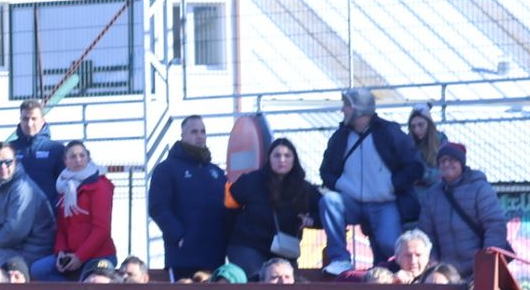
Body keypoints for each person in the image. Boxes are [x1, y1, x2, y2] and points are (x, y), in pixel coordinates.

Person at [318, 88, 425, 274]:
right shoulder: (340, 137)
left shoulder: (389, 132)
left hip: (384, 202)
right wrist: (341, 185)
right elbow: (325, 170)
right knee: (330, 201)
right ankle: (340, 259)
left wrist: (391, 185)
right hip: (351, 202)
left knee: (390, 246)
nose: (343, 110)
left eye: (347, 106)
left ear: (358, 109)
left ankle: (404, 280)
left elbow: (414, 166)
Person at [224, 137, 321, 277]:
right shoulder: (251, 181)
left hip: (284, 250)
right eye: (277, 155)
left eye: (287, 155)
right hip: (248, 246)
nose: (282, 160)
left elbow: (325, 212)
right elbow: (228, 208)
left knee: (286, 286)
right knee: (258, 283)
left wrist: (312, 219)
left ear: (294, 159)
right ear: (269, 158)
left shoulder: (304, 188)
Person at [147, 115, 228, 278]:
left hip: (214, 257)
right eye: (194, 131)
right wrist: (180, 237)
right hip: (182, 258)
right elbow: (157, 207)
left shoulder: (217, 173)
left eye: (203, 131)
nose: (199, 136)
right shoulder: (166, 169)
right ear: (182, 136)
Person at [417, 142, 510, 271]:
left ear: (461, 163)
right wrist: (434, 266)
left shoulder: (480, 189)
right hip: (447, 272)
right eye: (443, 161)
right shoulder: (431, 196)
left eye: (452, 160)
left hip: (480, 268)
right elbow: (426, 235)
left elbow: (495, 226)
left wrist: (487, 263)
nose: (447, 164)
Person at [31, 141, 116, 282]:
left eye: (82, 155)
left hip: (98, 255)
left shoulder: (100, 185)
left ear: (88, 158)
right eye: (73, 156)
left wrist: (80, 257)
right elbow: (62, 228)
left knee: (88, 282)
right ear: (65, 161)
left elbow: (101, 230)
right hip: (71, 254)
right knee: (38, 270)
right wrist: (61, 252)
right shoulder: (65, 186)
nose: (78, 160)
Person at [0, 142, 56, 268]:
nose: (2, 167)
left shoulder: (22, 188)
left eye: (8, 162)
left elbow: (15, 231)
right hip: (15, 247)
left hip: (34, 249)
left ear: (16, 162)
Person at [7, 98, 64, 204]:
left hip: (48, 216)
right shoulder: (9, 150)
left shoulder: (57, 150)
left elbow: (66, 182)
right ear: (20, 120)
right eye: (25, 119)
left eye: (34, 119)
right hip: (18, 216)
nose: (29, 124)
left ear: (42, 121)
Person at [407, 104, 443, 189]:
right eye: (413, 126)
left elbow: (443, 174)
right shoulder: (408, 144)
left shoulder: (441, 141)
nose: (417, 130)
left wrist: (422, 174)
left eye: (421, 125)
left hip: (437, 191)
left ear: (429, 123)